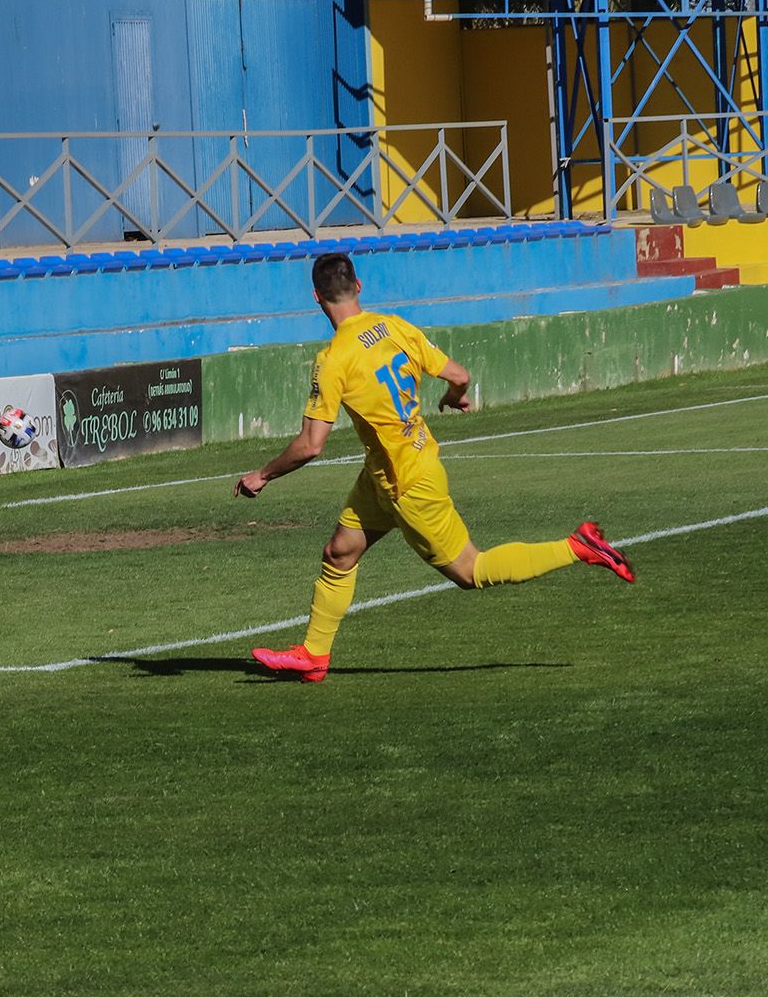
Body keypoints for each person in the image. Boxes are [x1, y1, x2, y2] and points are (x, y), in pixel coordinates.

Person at [239, 253, 635, 681]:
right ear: (360, 286)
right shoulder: (395, 327)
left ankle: (577, 547)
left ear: (316, 297)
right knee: (339, 553)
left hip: (406, 484)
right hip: (390, 470)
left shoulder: (333, 359)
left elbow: (310, 445)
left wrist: (261, 475)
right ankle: (314, 656)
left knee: (471, 570)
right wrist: (452, 395)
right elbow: (460, 375)